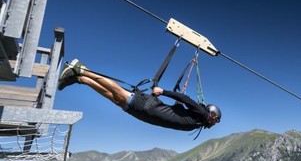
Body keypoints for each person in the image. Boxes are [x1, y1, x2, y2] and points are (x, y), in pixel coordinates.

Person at [57, 59, 221, 131]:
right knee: (119, 94)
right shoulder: (202, 116)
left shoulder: (197, 120)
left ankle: (80, 78)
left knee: (116, 99)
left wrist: (169, 94)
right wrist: (163, 92)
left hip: (148, 112)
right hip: (149, 110)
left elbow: (181, 106)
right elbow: (185, 100)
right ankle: (82, 69)